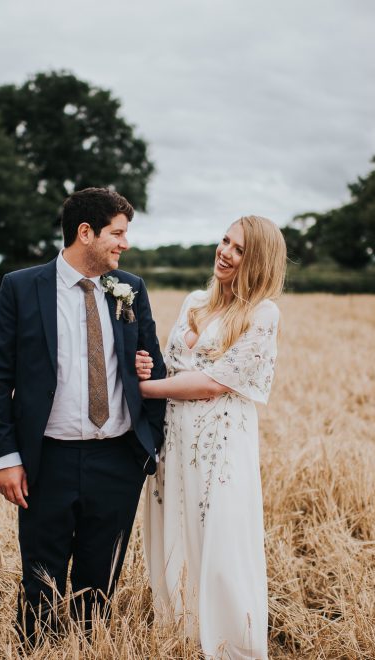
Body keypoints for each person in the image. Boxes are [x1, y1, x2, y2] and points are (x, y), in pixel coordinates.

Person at [0, 187, 167, 642]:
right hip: (48, 460)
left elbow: (154, 367)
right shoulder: (22, 288)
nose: (125, 244)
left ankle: (89, 649)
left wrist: (150, 443)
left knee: (98, 587)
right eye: (117, 234)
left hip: (119, 459)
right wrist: (7, 457)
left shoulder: (131, 290)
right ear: (85, 233)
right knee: (40, 583)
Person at [135, 215, 285, 659]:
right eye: (225, 241)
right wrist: (148, 368)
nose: (225, 252)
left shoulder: (262, 313)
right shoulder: (195, 302)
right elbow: (171, 364)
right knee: (175, 526)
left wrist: (145, 388)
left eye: (239, 249)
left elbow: (213, 382)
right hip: (174, 438)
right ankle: (182, 631)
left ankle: (229, 644)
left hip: (220, 442)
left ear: (258, 261)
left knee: (220, 536)